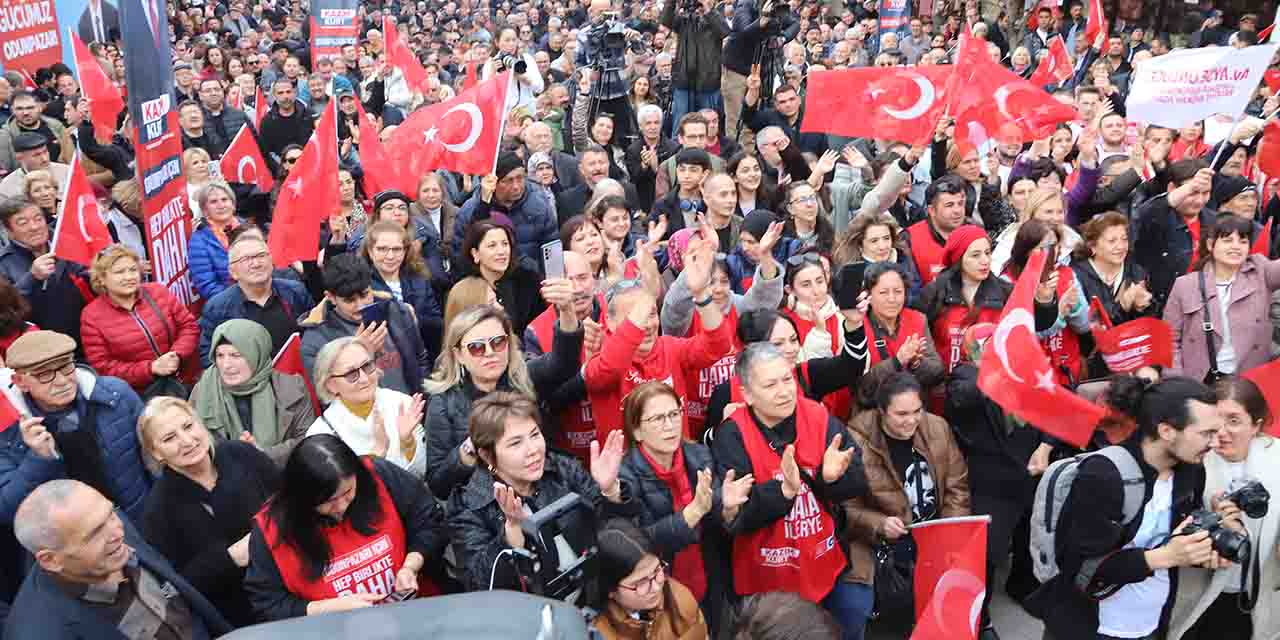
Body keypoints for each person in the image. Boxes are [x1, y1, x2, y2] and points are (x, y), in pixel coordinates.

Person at [1025, 375, 1233, 639]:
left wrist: (1203, 549)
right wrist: (1166, 557)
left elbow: (1177, 536)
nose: (1215, 443)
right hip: (1091, 627)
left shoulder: (1191, 471)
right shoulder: (1104, 474)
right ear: (1166, 431)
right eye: (1206, 433)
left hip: (1152, 624)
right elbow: (1079, 568)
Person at [711, 342, 865, 624]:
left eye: (787, 379)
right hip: (767, 582)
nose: (784, 391)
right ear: (747, 394)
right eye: (770, 385)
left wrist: (829, 479)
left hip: (825, 562)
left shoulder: (818, 416)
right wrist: (783, 492)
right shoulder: (733, 435)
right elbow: (739, 518)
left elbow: (857, 482)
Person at [245, 434, 448, 620]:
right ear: (303, 498)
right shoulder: (271, 530)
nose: (341, 506)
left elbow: (429, 520)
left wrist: (410, 566)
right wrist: (329, 607)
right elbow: (267, 603)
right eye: (329, 501)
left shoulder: (378, 476)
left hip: (413, 616)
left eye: (348, 492)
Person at [447, 391, 627, 592]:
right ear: (488, 456)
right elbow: (479, 584)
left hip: (592, 595)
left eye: (534, 435)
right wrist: (512, 532)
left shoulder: (562, 468)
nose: (533, 450)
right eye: (516, 443)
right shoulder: (468, 505)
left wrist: (609, 490)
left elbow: (614, 535)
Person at [7, 480, 232, 640]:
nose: (117, 532)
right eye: (94, 533)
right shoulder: (39, 631)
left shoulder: (109, 528)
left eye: (111, 512)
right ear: (51, 560)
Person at [842, 372, 970, 638]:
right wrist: (878, 524)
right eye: (901, 414)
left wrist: (949, 533)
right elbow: (844, 508)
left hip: (933, 534)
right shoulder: (855, 440)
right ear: (881, 411)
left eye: (917, 411)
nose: (911, 421)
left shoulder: (937, 427)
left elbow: (957, 488)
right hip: (884, 545)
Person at [139, 398, 280, 628]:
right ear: (156, 453)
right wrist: (230, 558)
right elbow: (177, 587)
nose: (186, 441)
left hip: (293, 582)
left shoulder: (241, 453)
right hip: (242, 618)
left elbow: (287, 498)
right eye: (169, 438)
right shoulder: (158, 511)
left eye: (188, 426)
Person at [423, 299, 582, 498]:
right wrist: (470, 449)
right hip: (483, 509)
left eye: (498, 342)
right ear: (459, 355)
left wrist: (566, 310)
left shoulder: (523, 376)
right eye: (476, 347)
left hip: (541, 491)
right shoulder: (443, 403)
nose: (490, 353)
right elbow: (438, 484)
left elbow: (563, 364)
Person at [616, 382, 742, 632]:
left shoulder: (699, 455)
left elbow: (717, 522)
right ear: (637, 431)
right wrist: (692, 513)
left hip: (708, 578)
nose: (670, 425)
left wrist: (728, 509)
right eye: (658, 418)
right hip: (658, 590)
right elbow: (640, 544)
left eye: (674, 414)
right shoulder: (624, 476)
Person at [1169, 377, 1280, 640]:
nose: (1222, 431)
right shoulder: (1189, 461)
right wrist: (1212, 521)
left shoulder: (1275, 460)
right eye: (1215, 421)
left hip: (1256, 593)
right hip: (1194, 594)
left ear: (1256, 425)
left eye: (1234, 420)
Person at [585, 245, 735, 439]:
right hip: (628, 468)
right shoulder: (598, 360)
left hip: (678, 463)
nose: (646, 325)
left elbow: (719, 345)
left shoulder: (671, 348)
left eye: (652, 314)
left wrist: (701, 294)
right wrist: (648, 296)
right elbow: (610, 368)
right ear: (609, 322)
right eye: (636, 317)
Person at [1165, 215, 1280, 382]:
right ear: (1211, 245)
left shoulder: (1261, 270)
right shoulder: (1186, 285)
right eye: (1228, 240)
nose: (1236, 247)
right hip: (1199, 382)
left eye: (1243, 241)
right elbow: (1169, 339)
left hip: (1249, 382)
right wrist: (1176, 382)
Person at [299, 253, 429, 397]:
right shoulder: (315, 341)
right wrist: (359, 353)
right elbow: (326, 396)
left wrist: (424, 401)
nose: (360, 305)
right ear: (331, 297)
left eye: (364, 295)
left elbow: (420, 359)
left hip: (411, 408)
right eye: (350, 300)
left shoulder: (397, 311)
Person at [190, 319, 316, 464]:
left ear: (257, 354)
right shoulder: (202, 391)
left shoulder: (293, 387)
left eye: (235, 355)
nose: (226, 365)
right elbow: (195, 444)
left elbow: (308, 440)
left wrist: (263, 455)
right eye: (220, 355)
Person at [79, 244, 200, 394]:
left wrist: (177, 354)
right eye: (119, 272)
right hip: (141, 395)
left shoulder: (158, 292)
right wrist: (151, 368)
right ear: (102, 279)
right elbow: (103, 366)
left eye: (133, 270)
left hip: (185, 381)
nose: (129, 277)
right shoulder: (91, 316)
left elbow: (188, 326)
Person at [307, 337, 426, 477]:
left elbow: (421, 474)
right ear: (330, 385)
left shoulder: (402, 403)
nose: (364, 379)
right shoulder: (321, 434)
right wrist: (377, 454)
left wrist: (408, 443)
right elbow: (341, 495)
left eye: (367, 366)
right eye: (351, 374)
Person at [198, 232, 314, 366]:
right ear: (232, 272)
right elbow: (208, 356)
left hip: (297, 376)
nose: (256, 264)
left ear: (271, 261)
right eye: (246, 259)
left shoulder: (295, 292)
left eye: (261, 256)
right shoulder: (217, 308)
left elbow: (313, 333)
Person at [590, 519, 710, 640]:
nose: (656, 587)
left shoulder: (680, 601)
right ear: (611, 590)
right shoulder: (595, 632)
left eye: (657, 570)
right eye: (641, 582)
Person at [0, 198, 91, 350]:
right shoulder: (3, 263)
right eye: (23, 223)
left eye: (38, 219)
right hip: (42, 350)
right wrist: (32, 277)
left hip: (86, 338)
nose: (34, 227)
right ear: (9, 231)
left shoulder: (67, 244)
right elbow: (6, 310)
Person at [1133, 160, 1216, 315]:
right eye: (1193, 192)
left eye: (1205, 193)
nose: (1199, 201)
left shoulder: (1214, 221)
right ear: (1172, 188)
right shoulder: (1156, 218)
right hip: (1161, 309)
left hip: (1203, 307)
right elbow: (1144, 214)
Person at [450, 152, 559, 269]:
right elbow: (461, 256)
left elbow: (551, 248)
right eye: (508, 181)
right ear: (493, 182)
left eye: (520, 178)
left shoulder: (539, 202)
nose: (516, 186)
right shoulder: (470, 210)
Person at [361, 218, 444, 357]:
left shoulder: (420, 281)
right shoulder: (362, 285)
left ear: (405, 251)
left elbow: (437, 325)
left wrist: (415, 320)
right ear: (370, 251)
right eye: (382, 249)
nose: (390, 256)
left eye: (397, 249)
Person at [458, 218, 545, 337]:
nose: (501, 251)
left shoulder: (528, 281)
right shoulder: (466, 290)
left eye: (505, 244)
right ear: (475, 253)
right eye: (492, 246)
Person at [1071, 211, 1153, 331]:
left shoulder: (1136, 271)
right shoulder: (1077, 276)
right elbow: (1089, 328)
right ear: (1092, 246)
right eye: (1112, 241)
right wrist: (1122, 306)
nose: (1121, 246)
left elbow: (1149, 322)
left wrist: (1144, 306)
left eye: (1124, 239)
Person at [833, 212, 923, 307]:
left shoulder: (903, 259)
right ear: (860, 245)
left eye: (886, 238)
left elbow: (916, 294)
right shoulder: (851, 273)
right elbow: (850, 312)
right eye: (874, 241)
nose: (882, 246)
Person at [906, 175, 969, 286]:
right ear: (931, 210)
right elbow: (910, 293)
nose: (957, 210)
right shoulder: (909, 240)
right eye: (949, 205)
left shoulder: (974, 234)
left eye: (960, 204)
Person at [188, 182, 244, 301]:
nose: (221, 205)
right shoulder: (199, 240)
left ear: (233, 205)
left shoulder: (248, 227)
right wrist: (242, 298)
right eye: (213, 202)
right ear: (205, 210)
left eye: (224, 199)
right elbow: (206, 286)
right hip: (230, 302)